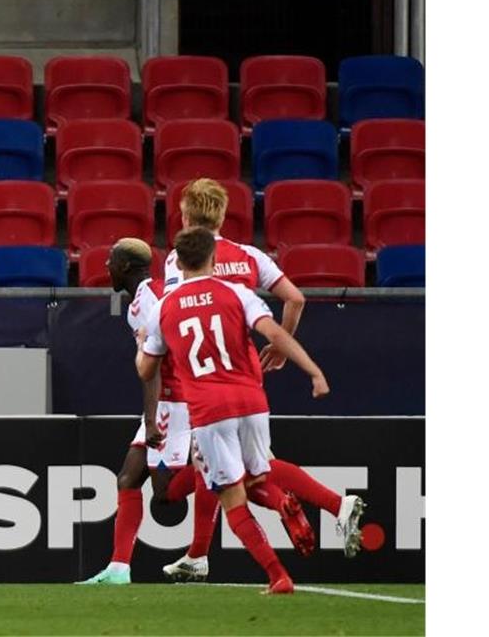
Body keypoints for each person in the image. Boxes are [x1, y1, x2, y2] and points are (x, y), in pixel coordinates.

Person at [160, 179, 365, 580]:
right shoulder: (250, 256)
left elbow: (174, 312)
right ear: (222, 215)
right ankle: (198, 553)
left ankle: (329, 504)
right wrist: (278, 346)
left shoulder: (179, 259)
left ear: (185, 217)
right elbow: (296, 297)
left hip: (203, 373)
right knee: (227, 467)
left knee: (229, 469)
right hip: (246, 368)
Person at [138, 227, 333, 594]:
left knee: (231, 495)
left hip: (209, 410)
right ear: (214, 258)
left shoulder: (164, 305)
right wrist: (314, 372)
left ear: (177, 262)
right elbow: (275, 335)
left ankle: (278, 575)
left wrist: (142, 348)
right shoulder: (237, 292)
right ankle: (300, 502)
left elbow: (146, 370)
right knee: (260, 475)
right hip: (252, 402)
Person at [78, 238, 203, 585]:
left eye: (111, 261)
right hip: (164, 400)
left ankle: (227, 475)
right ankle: (119, 568)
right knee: (128, 478)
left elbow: (155, 362)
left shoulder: (148, 301)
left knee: (165, 495)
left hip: (172, 403)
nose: (106, 267)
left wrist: (150, 421)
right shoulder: (145, 297)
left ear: (125, 267)